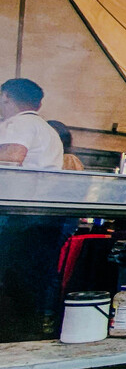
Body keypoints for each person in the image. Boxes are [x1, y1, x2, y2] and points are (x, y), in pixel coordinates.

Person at [0, 79, 72, 342]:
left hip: (20, 216)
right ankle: (30, 333)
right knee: (34, 279)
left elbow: (10, 159)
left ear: (5, 97)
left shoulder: (19, 124)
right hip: (44, 216)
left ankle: (14, 337)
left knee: (12, 278)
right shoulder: (47, 131)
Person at [0, 78, 63, 169]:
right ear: (39, 105)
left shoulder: (20, 122)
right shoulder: (49, 130)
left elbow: (12, 157)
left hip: (20, 182)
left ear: (5, 96)